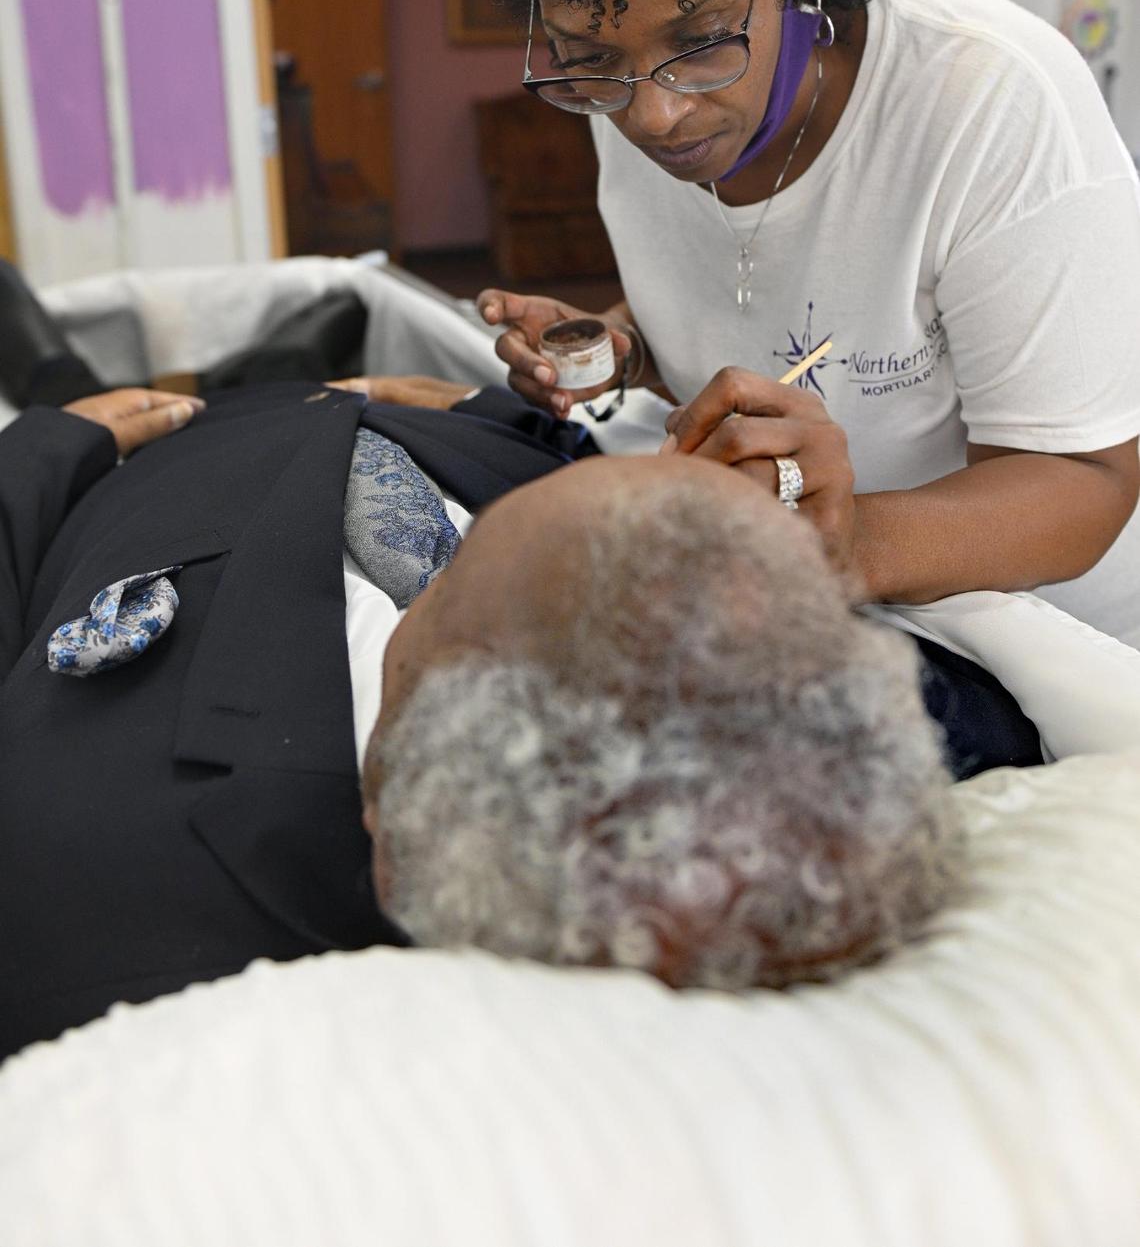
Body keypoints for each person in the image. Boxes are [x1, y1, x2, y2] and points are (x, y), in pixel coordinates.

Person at [0, 318, 963, 1061]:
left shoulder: (84, 875)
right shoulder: (770, 728)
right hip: (406, 421)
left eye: (461, 572)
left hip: (121, 469)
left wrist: (43, 453)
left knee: (93, 369)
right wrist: (478, 414)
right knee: (320, 337)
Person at [467, 0, 1140, 649]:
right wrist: (626, 351)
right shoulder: (638, 96)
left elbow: (1086, 482)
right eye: (589, 58)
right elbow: (759, 323)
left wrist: (837, 541)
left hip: (1029, 645)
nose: (652, 116)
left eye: (699, 42)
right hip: (788, 614)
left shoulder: (988, 98)